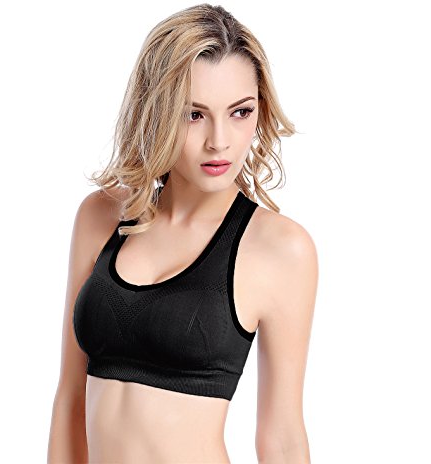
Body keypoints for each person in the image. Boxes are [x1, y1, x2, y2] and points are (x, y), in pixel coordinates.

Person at [47, 4, 318, 463]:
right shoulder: (100, 217)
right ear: (155, 111)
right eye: (194, 115)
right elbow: (69, 399)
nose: (219, 141)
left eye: (240, 112)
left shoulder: (280, 249)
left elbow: (282, 437)